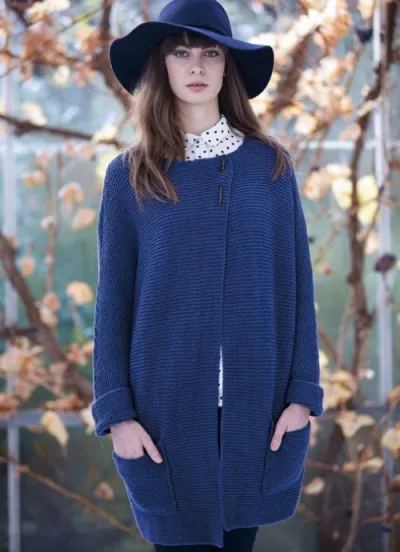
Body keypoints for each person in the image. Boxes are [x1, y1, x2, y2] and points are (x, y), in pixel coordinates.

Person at [90, 0, 324, 551]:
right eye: (181, 53)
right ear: (161, 67)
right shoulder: (130, 176)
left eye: (210, 53)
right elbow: (113, 304)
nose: (196, 65)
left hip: (259, 415)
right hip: (162, 419)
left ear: (227, 68)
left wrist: (301, 398)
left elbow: (297, 289)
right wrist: (118, 416)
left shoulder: (270, 167)